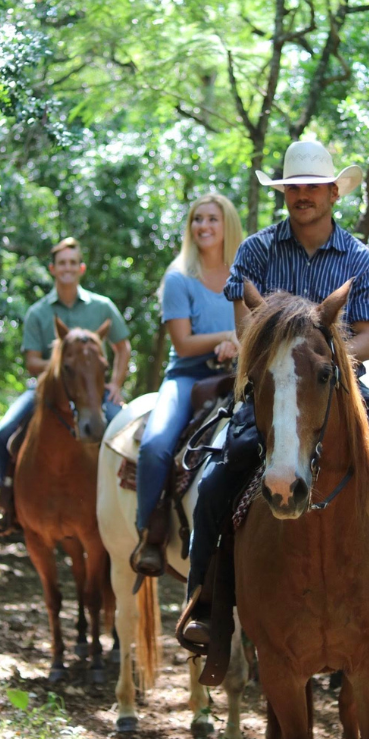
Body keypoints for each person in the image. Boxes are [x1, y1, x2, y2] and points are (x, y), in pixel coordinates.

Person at [176, 140, 369, 650]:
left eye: (313, 187)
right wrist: (285, 361)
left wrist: (320, 360)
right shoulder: (255, 252)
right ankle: (203, 603)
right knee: (212, 484)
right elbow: (246, 329)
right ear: (285, 194)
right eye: (294, 187)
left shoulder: (361, 260)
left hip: (342, 388)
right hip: (270, 392)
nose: (303, 195)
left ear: (333, 193)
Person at [128, 195, 244, 575]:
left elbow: (254, 326)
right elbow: (182, 343)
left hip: (238, 376)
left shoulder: (244, 272)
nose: (203, 226)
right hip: (189, 376)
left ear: (227, 225)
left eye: (212, 219)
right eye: (197, 219)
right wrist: (224, 337)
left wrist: (238, 344)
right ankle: (150, 534)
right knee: (156, 445)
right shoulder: (178, 277)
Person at [0, 237, 131, 535]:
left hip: (93, 392)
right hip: (47, 391)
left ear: (81, 268)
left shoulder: (102, 306)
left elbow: (123, 347)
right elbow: (32, 362)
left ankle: (129, 508)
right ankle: (5, 502)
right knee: (4, 433)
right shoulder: (38, 312)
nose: (67, 268)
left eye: (73, 263)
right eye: (62, 263)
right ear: (52, 269)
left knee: (127, 435)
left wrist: (115, 383)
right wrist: (62, 369)